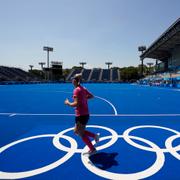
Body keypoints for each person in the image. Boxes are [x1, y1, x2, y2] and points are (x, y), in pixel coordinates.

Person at [64, 73, 99, 156]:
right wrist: (84, 98)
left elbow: (76, 104)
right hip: (85, 113)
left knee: (81, 133)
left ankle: (92, 149)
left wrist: (68, 103)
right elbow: (91, 96)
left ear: (75, 81)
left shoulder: (76, 90)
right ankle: (94, 136)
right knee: (76, 131)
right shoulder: (83, 88)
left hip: (81, 115)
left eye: (72, 80)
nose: (71, 81)